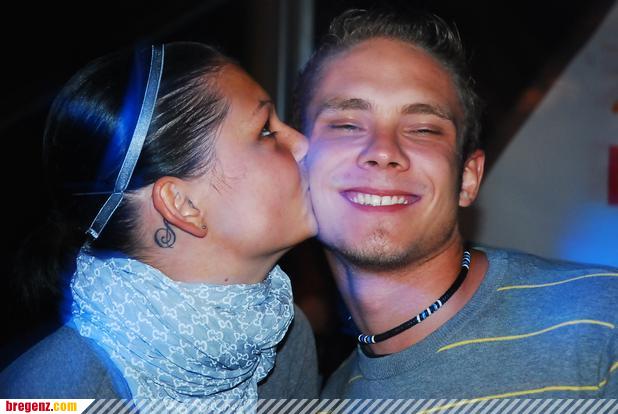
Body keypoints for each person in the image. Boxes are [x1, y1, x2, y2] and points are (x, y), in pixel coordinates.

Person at [294, 7, 618, 402]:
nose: (383, 150)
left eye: (423, 129)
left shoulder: (603, 324)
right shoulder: (325, 399)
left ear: (467, 177)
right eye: (346, 124)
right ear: (298, 165)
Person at [0, 41, 319, 404]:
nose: (302, 144)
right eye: (265, 130)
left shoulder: (285, 339)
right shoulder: (50, 395)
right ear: (182, 205)